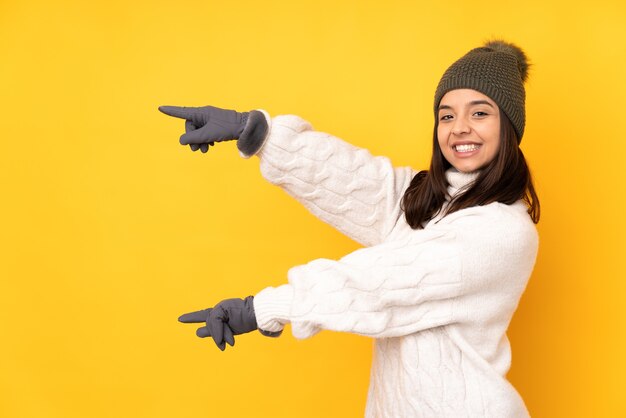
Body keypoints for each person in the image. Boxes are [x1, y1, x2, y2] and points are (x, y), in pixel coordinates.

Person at [159, 39, 540, 417]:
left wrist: (264, 307)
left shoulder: (503, 232)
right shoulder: (428, 200)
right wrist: (255, 131)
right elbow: (352, 179)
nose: (459, 129)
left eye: (479, 114)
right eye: (446, 115)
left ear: (508, 126)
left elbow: (381, 283)